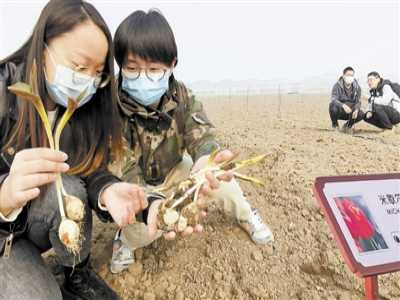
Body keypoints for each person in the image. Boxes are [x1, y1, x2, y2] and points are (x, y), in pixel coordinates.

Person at [0, 1, 148, 299]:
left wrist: (107, 191)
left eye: (96, 73)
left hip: (32, 223)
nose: (87, 82)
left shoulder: (82, 108)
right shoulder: (4, 95)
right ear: (43, 49)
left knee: (67, 189)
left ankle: (76, 274)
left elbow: (87, 170)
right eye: (79, 67)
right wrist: (3, 195)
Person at [108, 9, 274, 274]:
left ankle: (246, 215)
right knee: (148, 229)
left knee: (220, 178)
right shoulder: (110, 107)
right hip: (136, 185)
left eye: (153, 69)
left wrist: (205, 162)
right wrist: (154, 203)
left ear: (171, 64)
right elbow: (123, 167)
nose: (143, 78)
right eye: (132, 69)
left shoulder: (182, 96)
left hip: (176, 169)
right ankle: (124, 240)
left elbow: (202, 134)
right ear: (119, 66)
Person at [329, 66, 363, 133]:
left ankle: (348, 126)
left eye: (352, 75)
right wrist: (343, 105)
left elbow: (358, 101)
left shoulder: (357, 87)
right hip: (340, 111)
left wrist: (356, 109)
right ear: (344, 76)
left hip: (351, 112)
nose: (350, 77)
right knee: (332, 106)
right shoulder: (337, 86)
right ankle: (335, 125)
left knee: (361, 114)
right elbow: (333, 99)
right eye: (348, 75)